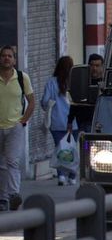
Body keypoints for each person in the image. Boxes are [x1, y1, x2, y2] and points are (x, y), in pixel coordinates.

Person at [0, 45, 34, 211]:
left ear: (14, 60)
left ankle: (13, 194)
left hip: (15, 127)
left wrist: (23, 121)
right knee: (1, 164)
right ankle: (2, 198)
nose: (6, 58)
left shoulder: (22, 78)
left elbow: (31, 101)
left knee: (12, 161)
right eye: (4, 55)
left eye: (9, 56)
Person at [41, 55, 75, 185]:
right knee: (71, 149)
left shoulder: (51, 82)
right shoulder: (75, 81)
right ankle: (72, 176)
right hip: (73, 123)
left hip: (56, 122)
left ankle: (61, 175)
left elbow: (45, 101)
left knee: (59, 149)